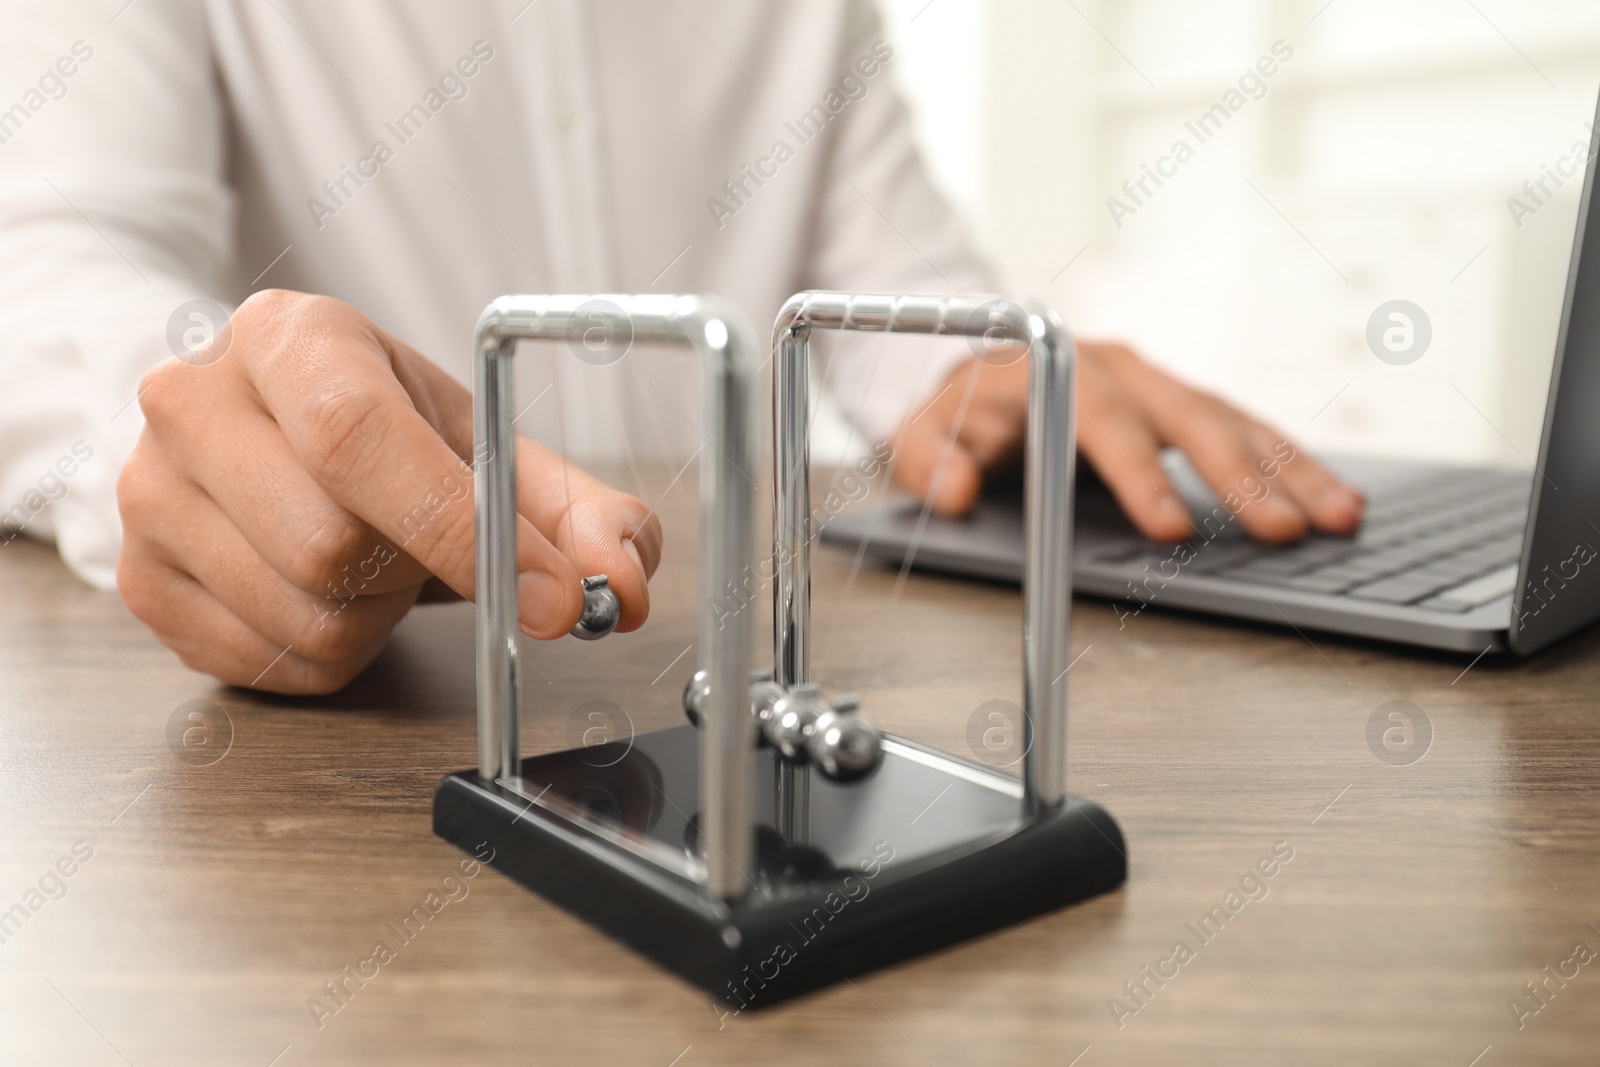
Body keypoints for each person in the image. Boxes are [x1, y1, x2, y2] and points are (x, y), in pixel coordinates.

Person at [0, 0, 1362, 694]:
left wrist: (977, 377)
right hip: (373, 738)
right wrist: (191, 428)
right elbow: (47, 260)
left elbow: (900, 296)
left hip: (717, 679)